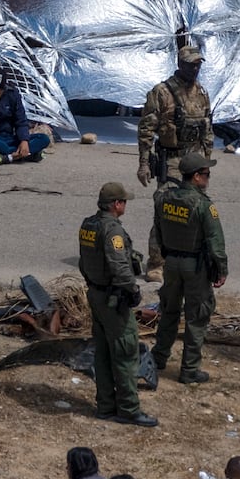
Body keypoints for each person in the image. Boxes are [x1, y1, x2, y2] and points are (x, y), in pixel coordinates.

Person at [78, 182, 156, 427]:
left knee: (102, 352)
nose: (125, 205)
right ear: (116, 204)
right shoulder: (112, 231)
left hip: (95, 293)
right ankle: (129, 409)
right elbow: (119, 266)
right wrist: (132, 291)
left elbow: (84, 261)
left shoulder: (88, 225)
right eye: (124, 201)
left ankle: (105, 405)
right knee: (125, 351)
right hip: (113, 299)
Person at [136, 45, 214, 281]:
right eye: (191, 64)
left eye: (198, 64)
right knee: (166, 211)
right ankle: (156, 263)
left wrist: (206, 162)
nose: (195, 68)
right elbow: (146, 129)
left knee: (195, 211)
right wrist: (144, 163)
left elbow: (208, 128)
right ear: (180, 64)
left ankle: (188, 258)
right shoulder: (162, 92)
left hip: (195, 157)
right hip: (171, 158)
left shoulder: (201, 92)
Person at [151, 153, 228, 384]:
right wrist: (221, 269)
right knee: (197, 317)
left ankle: (159, 357)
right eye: (206, 174)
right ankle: (189, 369)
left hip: (172, 263)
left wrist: (167, 253)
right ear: (196, 177)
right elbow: (216, 241)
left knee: (169, 312)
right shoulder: (204, 205)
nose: (208, 178)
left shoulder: (164, 199)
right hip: (195, 266)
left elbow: (158, 231)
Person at [0, 69, 50, 165]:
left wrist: (24, 141)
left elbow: (21, 121)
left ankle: (9, 157)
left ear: (1, 89)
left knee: (43, 139)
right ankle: (26, 154)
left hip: (8, 137)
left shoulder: (12, 95)